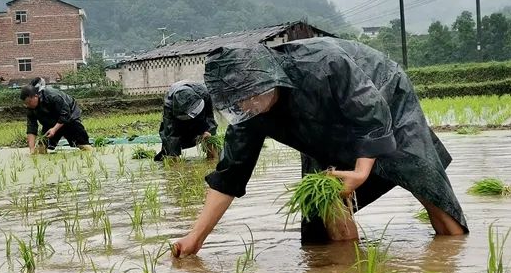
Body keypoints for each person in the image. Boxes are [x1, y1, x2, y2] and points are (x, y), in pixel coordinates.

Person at [173, 37, 468, 256]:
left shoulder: (323, 63)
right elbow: (230, 175)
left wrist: (361, 171)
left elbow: (371, 113)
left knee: (422, 178)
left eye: (250, 97)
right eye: (238, 103)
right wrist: (196, 238)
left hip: (383, 95)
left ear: (267, 79)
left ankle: (453, 255)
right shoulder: (249, 113)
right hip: (319, 129)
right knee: (325, 199)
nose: (247, 106)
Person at [20, 77, 92, 153]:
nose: (27, 105)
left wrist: (54, 129)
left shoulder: (53, 96)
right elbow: (31, 127)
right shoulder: (31, 108)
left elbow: (65, 113)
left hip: (70, 117)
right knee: (40, 149)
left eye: (29, 102)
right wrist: (31, 149)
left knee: (84, 146)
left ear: (35, 96)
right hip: (50, 122)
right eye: (26, 103)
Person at [154, 80, 219, 161]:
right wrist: (173, 156)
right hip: (179, 122)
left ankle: (213, 157)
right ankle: (169, 156)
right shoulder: (169, 105)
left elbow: (209, 116)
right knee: (171, 144)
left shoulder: (204, 93)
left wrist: (209, 131)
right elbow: (170, 133)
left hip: (200, 114)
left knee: (209, 135)